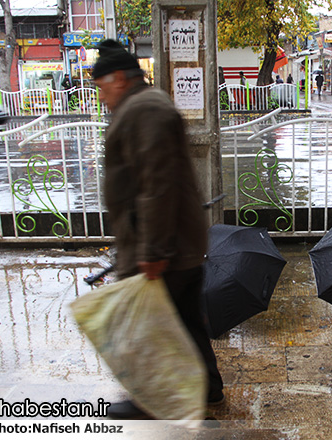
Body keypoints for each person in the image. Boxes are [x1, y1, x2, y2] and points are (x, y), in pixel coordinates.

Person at [91, 39, 224, 419]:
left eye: (101, 86)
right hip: (174, 241)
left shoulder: (144, 109)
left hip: (164, 245)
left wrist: (152, 250)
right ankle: (210, 388)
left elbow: (157, 184)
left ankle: (150, 401)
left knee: (149, 326)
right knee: (184, 317)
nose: (101, 96)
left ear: (118, 78)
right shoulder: (143, 105)